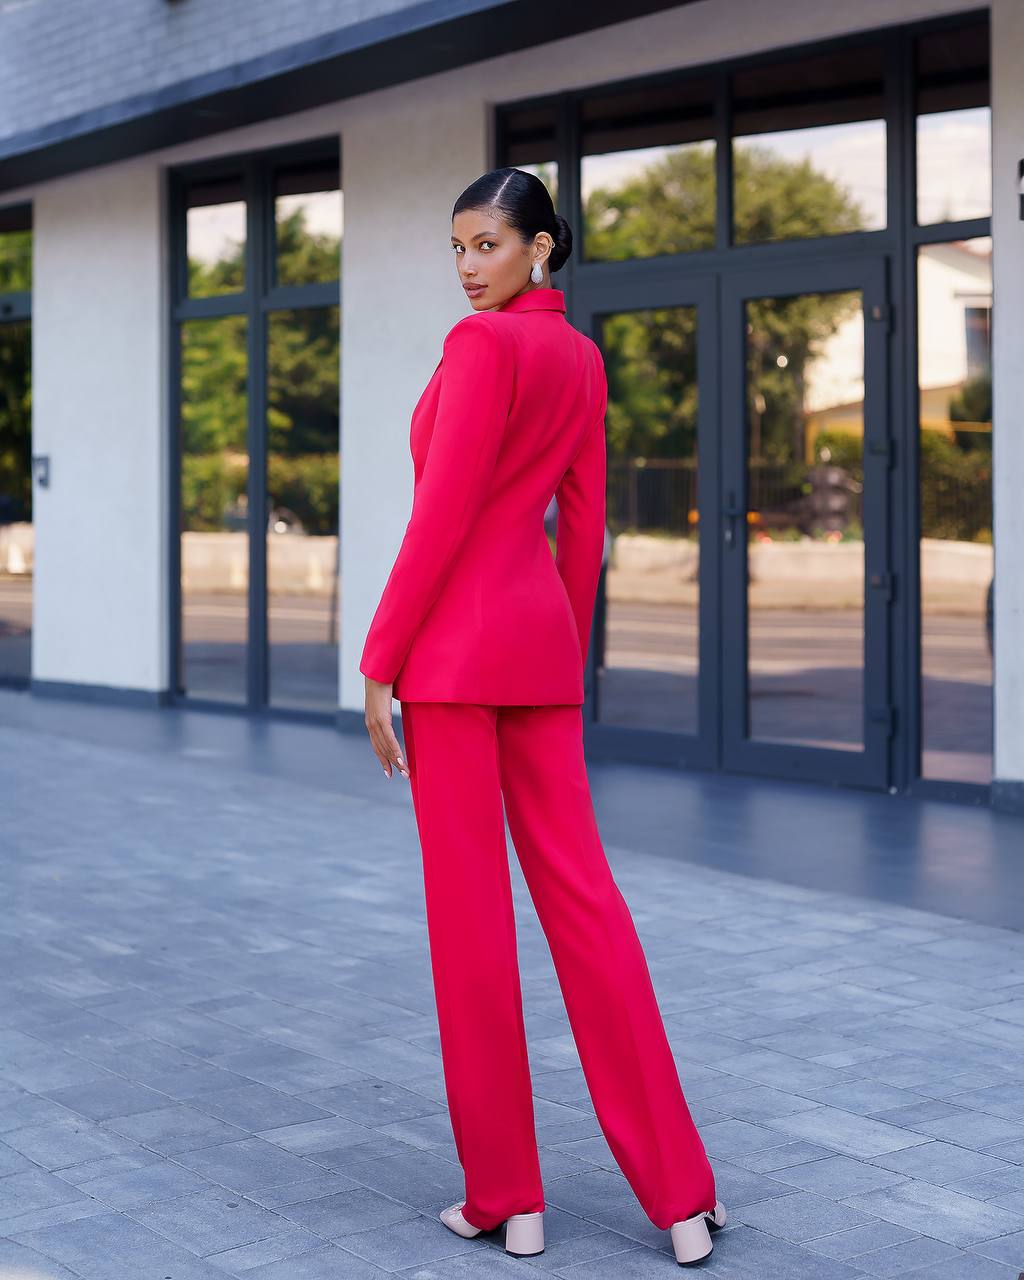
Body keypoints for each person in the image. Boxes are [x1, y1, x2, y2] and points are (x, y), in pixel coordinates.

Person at [359, 167, 725, 1267]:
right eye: (457, 247)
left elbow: (441, 516)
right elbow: (587, 528)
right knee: (587, 902)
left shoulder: (479, 348)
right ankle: (682, 1195)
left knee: (472, 923)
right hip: (538, 653)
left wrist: (379, 660)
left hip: (451, 663)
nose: (469, 266)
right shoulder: (582, 359)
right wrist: (560, 650)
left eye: (488, 245)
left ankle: (507, 1197)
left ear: (540, 248)